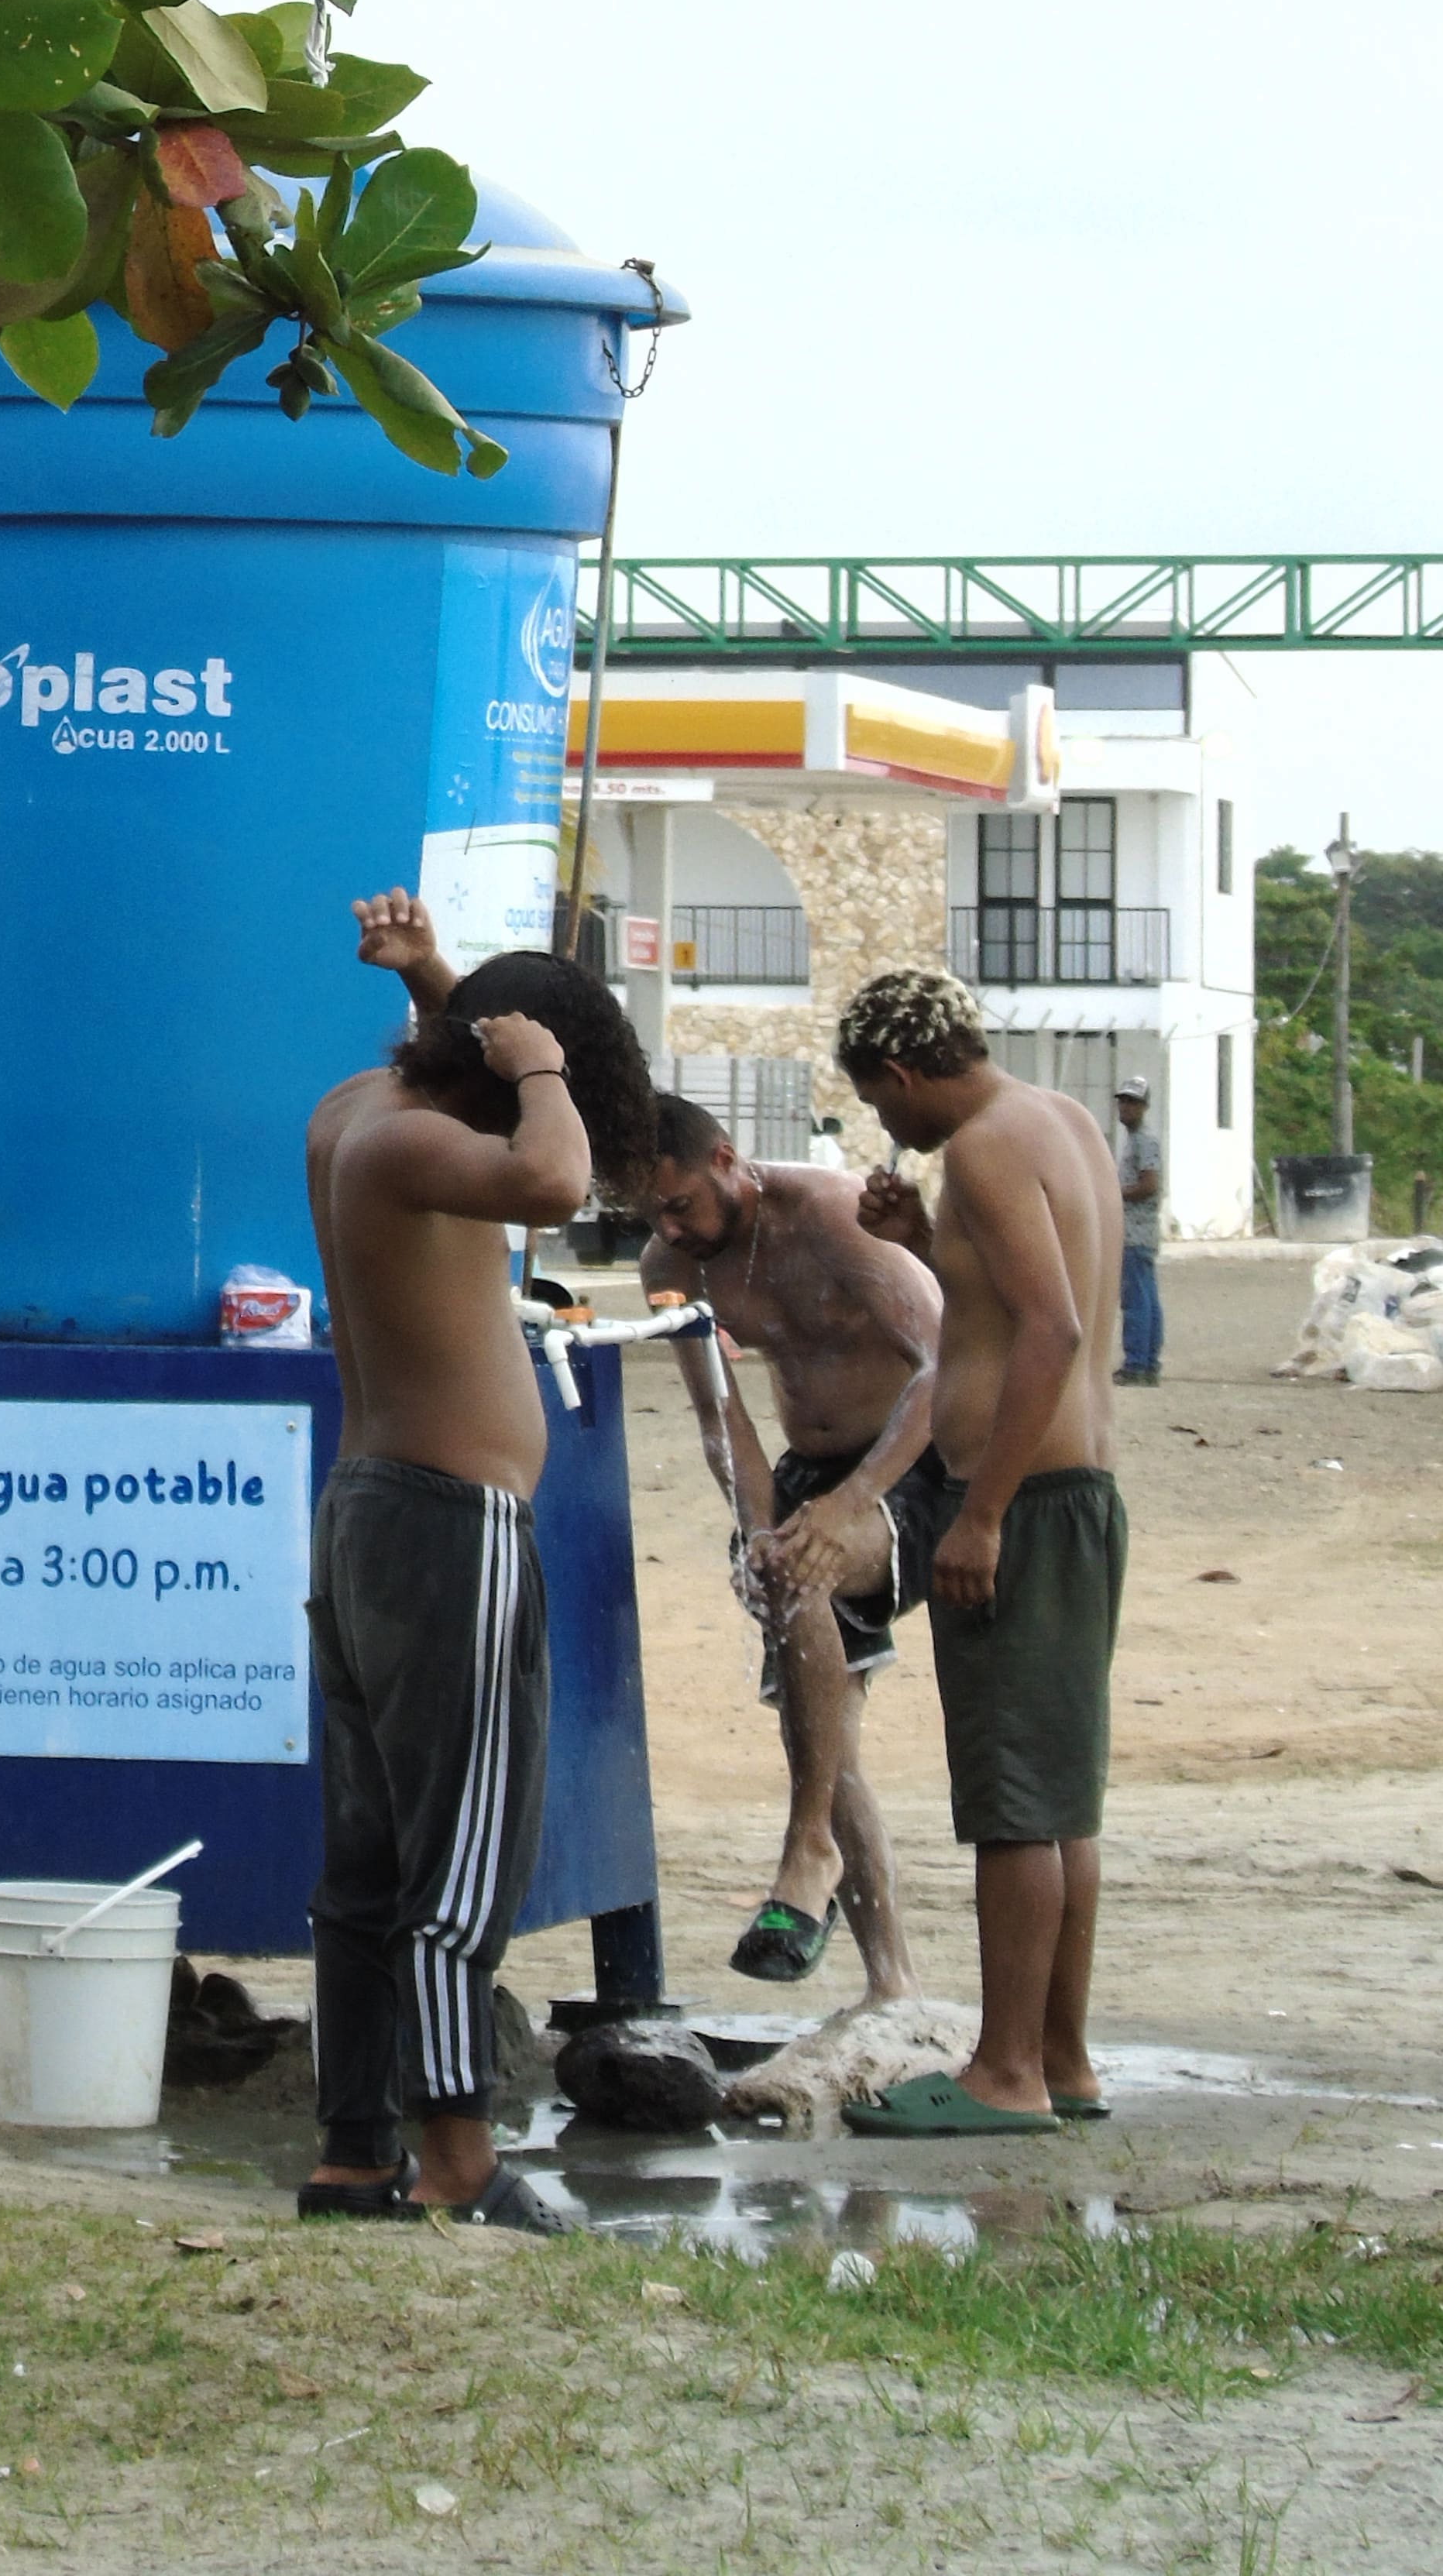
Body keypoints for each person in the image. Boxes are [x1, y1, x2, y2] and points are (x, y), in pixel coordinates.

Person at [298, 889, 655, 2227]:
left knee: (370, 1858)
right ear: (495, 1068)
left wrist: (439, 983)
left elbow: (449, 1074)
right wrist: (548, 1067)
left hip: (370, 1511)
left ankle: (353, 2150)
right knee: (459, 1853)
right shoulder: (414, 1148)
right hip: (450, 1525)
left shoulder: (357, 1107)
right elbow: (555, 1182)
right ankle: (455, 2157)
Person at [835, 965, 1125, 2139]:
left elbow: (1049, 1329)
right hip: (1079, 1497)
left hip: (1031, 1503)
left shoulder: (988, 1148)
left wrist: (983, 1510)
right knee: (1062, 1800)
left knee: (1014, 1802)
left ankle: (1005, 2071)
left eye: (878, 1102)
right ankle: (1062, 2057)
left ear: (904, 1075)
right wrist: (928, 1240)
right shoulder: (1060, 1122)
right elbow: (1009, 1316)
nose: (885, 1129)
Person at [636, 1096, 943, 1999]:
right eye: (649, 1214)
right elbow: (716, 1413)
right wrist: (758, 1525)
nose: (668, 1227)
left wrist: (852, 1503)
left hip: (912, 1460)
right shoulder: (671, 1264)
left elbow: (942, 1364)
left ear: (727, 1160)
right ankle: (892, 1983)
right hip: (803, 1471)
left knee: (806, 1580)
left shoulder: (836, 1219)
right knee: (819, 1726)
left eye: (681, 1204)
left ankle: (807, 1850)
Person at [1113, 1078, 1163, 1385]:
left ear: (1144, 1107)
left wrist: (1113, 1193)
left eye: (1132, 1102)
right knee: (1148, 1299)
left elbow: (1149, 1185)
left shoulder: (1144, 1141)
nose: (1125, 1107)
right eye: (1122, 1101)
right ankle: (1149, 1362)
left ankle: (1136, 1364)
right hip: (1139, 1232)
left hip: (1136, 1232)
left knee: (1136, 1300)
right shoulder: (1135, 1140)